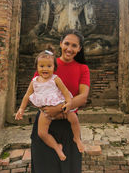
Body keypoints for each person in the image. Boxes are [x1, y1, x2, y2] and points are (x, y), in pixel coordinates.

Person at [29, 29, 90, 173]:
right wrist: (47, 110)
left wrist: (57, 109)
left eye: (74, 46)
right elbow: (33, 91)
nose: (69, 49)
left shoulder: (83, 68)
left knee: (70, 168)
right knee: (44, 167)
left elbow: (83, 97)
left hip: (68, 125)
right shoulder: (47, 63)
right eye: (67, 43)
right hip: (45, 124)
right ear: (60, 44)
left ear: (79, 49)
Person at [15, 47, 84, 161]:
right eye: (41, 66)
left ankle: (77, 138)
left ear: (54, 67)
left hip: (60, 106)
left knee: (74, 119)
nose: (45, 69)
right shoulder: (34, 82)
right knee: (42, 133)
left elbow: (65, 92)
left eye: (49, 66)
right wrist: (21, 109)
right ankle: (57, 148)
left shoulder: (55, 79)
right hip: (45, 111)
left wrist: (69, 103)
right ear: (37, 67)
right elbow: (27, 95)